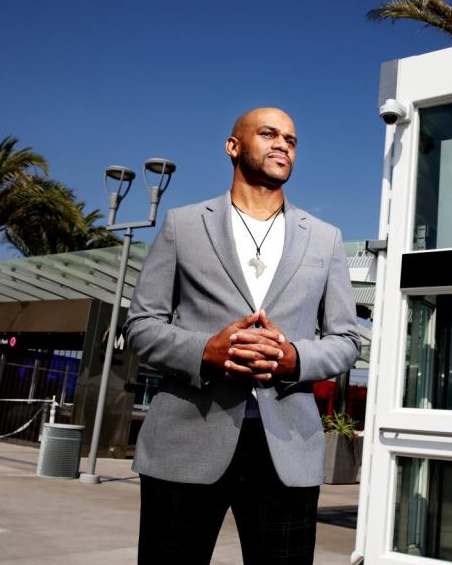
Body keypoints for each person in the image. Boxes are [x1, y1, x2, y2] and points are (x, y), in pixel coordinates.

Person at [124, 107, 361, 564]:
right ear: (233, 146)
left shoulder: (326, 238)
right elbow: (141, 325)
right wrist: (205, 351)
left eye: (291, 140)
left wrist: (293, 357)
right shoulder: (182, 224)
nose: (282, 145)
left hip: (286, 451)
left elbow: (346, 339)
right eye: (269, 134)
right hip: (185, 442)